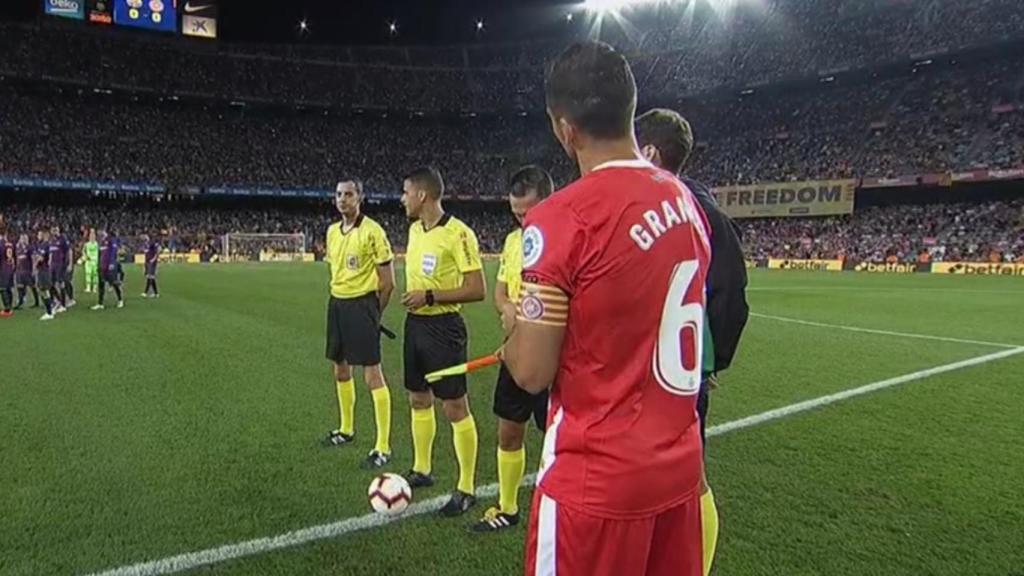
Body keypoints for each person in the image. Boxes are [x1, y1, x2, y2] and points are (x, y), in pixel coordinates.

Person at [500, 41, 711, 576]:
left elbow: (531, 371)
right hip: (678, 474)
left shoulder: (562, 217)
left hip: (596, 486)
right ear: (629, 107)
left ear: (564, 129)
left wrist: (514, 331)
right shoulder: (686, 203)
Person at [637, 107, 751, 576]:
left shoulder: (682, 209)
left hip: (663, 371)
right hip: (671, 368)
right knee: (674, 477)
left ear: (648, 152)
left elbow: (730, 294)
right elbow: (731, 296)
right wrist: (708, 362)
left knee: (684, 479)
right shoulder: (696, 208)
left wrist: (708, 361)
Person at [400, 166, 486, 517]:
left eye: (406, 192)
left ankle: (466, 488)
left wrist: (430, 296)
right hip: (415, 325)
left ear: (422, 195)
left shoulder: (458, 233)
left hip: (444, 327)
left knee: (454, 406)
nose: (402, 199)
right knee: (418, 398)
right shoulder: (413, 230)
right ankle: (422, 469)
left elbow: (477, 289)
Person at [472, 166, 553, 533]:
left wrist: (526, 327)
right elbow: (501, 292)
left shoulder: (568, 237)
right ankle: (507, 507)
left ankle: (559, 510)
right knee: (508, 429)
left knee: (558, 438)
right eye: (516, 213)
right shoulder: (512, 241)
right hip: (515, 351)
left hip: (553, 357)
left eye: (529, 212)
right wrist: (507, 310)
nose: (523, 220)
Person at [322, 180, 397, 470]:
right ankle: (346, 429)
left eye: (349, 194)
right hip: (337, 303)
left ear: (360, 198)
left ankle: (383, 446)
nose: (343, 199)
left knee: (372, 375)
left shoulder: (372, 231)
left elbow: (388, 283)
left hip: (362, 305)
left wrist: (374, 313)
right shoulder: (332, 231)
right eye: (339, 194)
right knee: (340, 368)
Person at [93, 229, 124, 310]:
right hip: (102, 266)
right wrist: (98, 265)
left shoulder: (111, 240)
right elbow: (100, 255)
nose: (99, 234)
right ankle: (100, 303)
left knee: (114, 283)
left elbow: (114, 252)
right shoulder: (101, 242)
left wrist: (112, 263)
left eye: (101, 232)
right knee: (101, 285)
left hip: (109, 266)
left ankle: (120, 300)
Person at [49, 225, 72, 313]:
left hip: (60, 264)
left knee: (60, 283)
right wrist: (49, 263)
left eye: (55, 229)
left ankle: (63, 305)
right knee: (50, 284)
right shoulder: (52, 240)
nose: (54, 231)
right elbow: (51, 253)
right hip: (53, 265)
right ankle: (57, 300)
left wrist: (70, 263)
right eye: (53, 230)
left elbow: (69, 250)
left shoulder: (63, 239)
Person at [35, 229, 57, 321]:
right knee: (42, 289)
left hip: (44, 270)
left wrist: (35, 264)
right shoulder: (42, 245)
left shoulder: (45, 245)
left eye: (40, 234)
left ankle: (49, 312)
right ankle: (52, 305)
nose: (38, 236)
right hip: (43, 270)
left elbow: (41, 258)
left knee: (44, 290)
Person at [15, 233, 40, 309]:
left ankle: (36, 302)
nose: (23, 240)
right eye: (22, 238)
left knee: (32, 286)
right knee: (20, 286)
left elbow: (33, 258)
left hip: (28, 270)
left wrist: (34, 269)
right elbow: (17, 258)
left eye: (25, 238)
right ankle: (20, 302)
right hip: (20, 270)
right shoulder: (18, 247)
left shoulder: (30, 247)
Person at [141, 233, 161, 298]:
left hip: (151, 262)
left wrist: (154, 259)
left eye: (145, 237)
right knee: (150, 277)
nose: (144, 238)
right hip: (147, 262)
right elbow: (146, 253)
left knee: (150, 277)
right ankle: (156, 293)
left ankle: (145, 292)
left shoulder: (152, 243)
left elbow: (157, 251)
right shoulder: (145, 244)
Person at [0, 229, 14, 317]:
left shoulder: (1, 243)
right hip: (10, 268)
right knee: (8, 288)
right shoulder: (11, 243)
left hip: (3, 268)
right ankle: (10, 307)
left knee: (2, 288)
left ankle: (7, 309)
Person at [82, 228, 99, 294]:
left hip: (95, 261)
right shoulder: (86, 244)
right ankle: (88, 287)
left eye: (93, 235)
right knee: (88, 274)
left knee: (95, 275)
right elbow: (83, 251)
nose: (92, 237)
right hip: (88, 261)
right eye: (91, 236)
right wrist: (85, 256)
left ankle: (95, 288)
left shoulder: (97, 244)